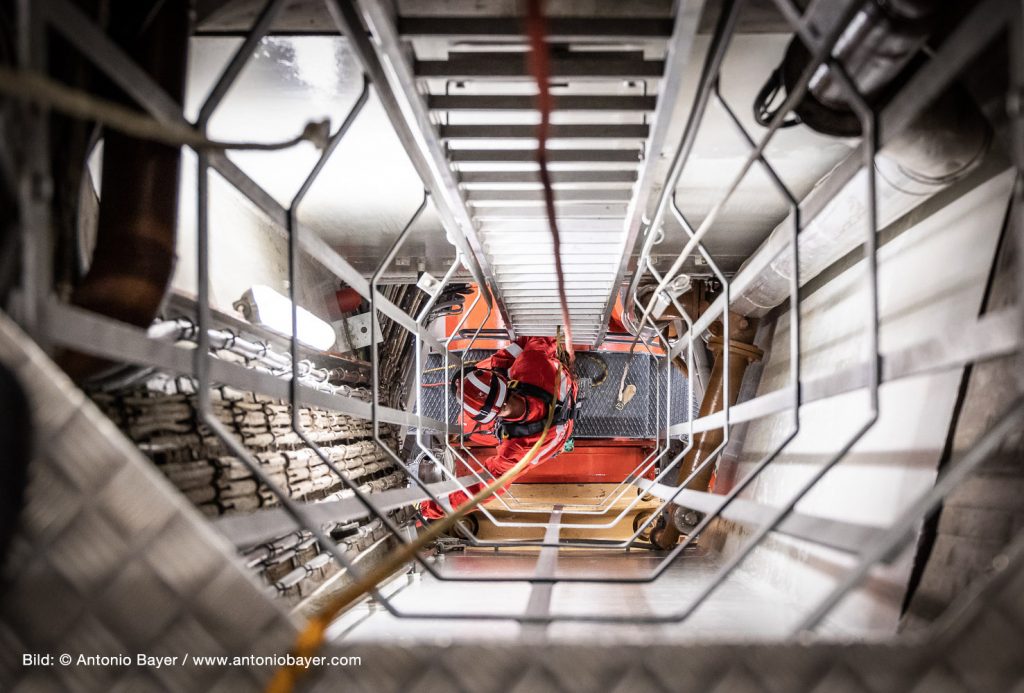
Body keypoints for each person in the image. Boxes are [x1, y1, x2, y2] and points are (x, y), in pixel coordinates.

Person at [419, 335, 577, 520]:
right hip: (560, 390)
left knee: (473, 431)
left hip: (563, 427)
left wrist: (427, 509)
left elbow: (481, 490)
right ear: (502, 381)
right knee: (495, 363)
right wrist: (499, 365)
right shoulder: (531, 363)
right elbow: (539, 338)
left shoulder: (514, 451)